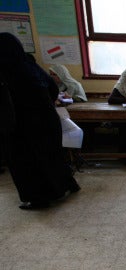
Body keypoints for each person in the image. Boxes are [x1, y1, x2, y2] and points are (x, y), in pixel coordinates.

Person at [0, 32, 81, 210]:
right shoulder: (30, 64)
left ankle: (38, 198)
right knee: (53, 155)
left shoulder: (7, 71)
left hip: (23, 125)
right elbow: (52, 88)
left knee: (27, 161)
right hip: (47, 120)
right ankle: (68, 185)